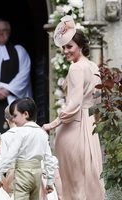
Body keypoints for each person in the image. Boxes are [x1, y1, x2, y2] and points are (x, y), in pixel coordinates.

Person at [42, 15, 105, 200]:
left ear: (80, 46)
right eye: (63, 47)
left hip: (74, 128)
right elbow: (98, 100)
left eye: (69, 46)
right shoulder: (93, 66)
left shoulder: (76, 68)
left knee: (73, 183)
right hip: (89, 124)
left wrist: (51, 125)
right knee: (88, 179)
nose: (65, 51)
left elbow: (74, 104)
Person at [0, 97, 56, 200]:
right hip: (37, 174)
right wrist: (50, 180)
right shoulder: (42, 133)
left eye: (15, 116)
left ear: (26, 114)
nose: (14, 120)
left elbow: (10, 156)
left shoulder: (20, 132)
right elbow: (48, 157)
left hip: (23, 173)